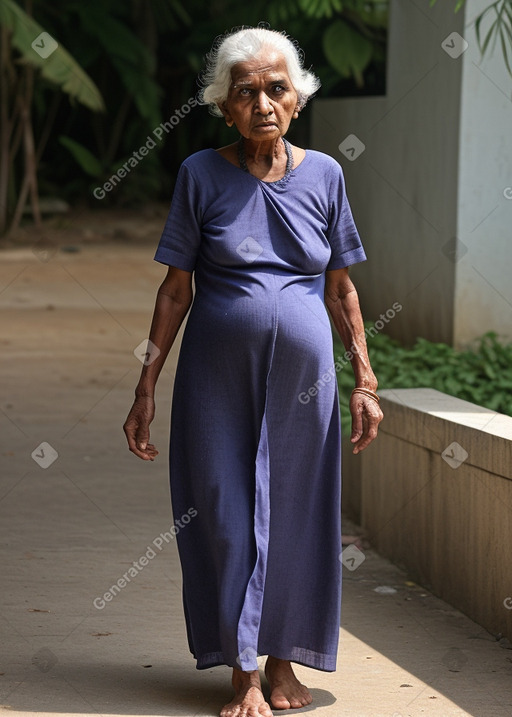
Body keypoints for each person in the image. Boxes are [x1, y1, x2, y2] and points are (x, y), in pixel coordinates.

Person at [124, 26, 383, 717]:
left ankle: (282, 660)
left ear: (297, 98)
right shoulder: (200, 175)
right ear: (225, 105)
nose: (264, 102)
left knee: (297, 517)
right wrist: (145, 384)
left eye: (277, 88)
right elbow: (175, 289)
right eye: (247, 92)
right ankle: (240, 669)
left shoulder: (325, 174)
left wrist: (365, 378)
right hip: (216, 379)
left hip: (305, 388)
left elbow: (342, 289)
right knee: (224, 515)